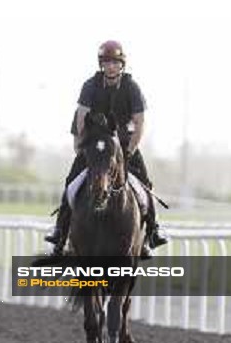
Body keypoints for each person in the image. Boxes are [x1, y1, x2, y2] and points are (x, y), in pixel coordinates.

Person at [46, 40, 168, 258]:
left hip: (125, 145)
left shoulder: (132, 87)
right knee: (71, 182)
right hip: (94, 146)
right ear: (101, 64)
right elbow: (81, 117)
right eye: (107, 62)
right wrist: (81, 146)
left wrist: (130, 149)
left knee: (146, 184)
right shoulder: (90, 85)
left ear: (122, 64)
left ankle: (152, 232)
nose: (110, 66)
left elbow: (140, 123)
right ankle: (60, 232)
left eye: (115, 62)